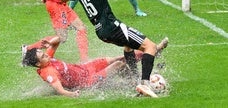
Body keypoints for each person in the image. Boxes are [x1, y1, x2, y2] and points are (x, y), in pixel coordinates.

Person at [59, 0, 168, 97]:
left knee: (129, 46)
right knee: (150, 46)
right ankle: (145, 83)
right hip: (112, 26)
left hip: (101, 32)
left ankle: (133, 79)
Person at [22, 35, 168, 97]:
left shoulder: (47, 59)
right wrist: (72, 94)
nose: (46, 54)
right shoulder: (48, 72)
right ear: (37, 64)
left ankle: (154, 51)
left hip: (85, 68)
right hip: (87, 80)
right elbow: (59, 89)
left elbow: (59, 39)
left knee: (119, 57)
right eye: (42, 55)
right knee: (119, 65)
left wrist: (50, 42)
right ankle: (135, 83)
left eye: (44, 52)